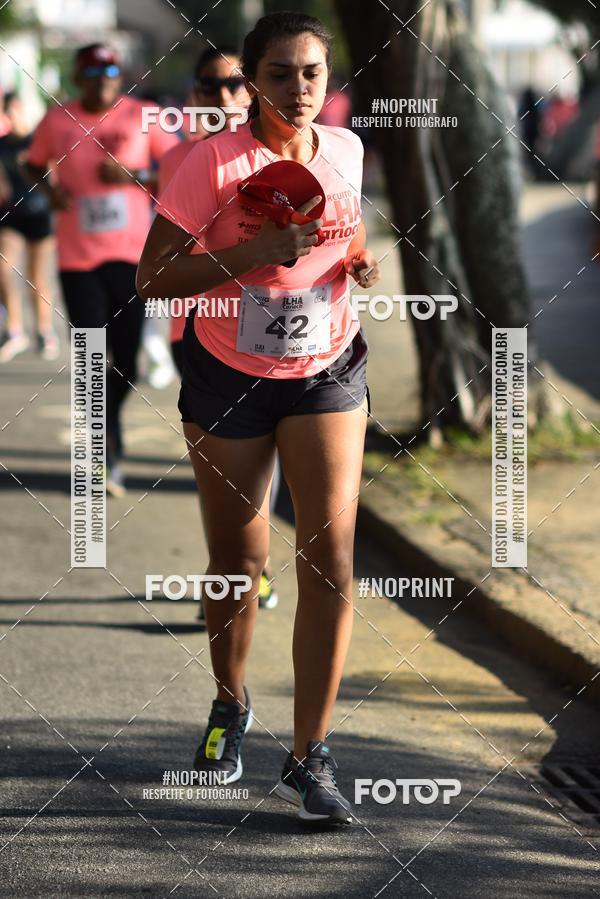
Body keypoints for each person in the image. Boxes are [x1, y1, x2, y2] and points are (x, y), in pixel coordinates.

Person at [138, 12, 380, 825]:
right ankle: (230, 700)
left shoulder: (344, 149)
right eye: (279, 74)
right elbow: (152, 278)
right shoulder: (208, 163)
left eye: (312, 73)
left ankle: (311, 753)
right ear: (250, 82)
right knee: (239, 563)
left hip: (326, 368)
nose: (299, 89)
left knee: (331, 559)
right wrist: (252, 253)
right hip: (228, 374)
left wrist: (356, 258)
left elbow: (345, 229)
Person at [26, 44, 178, 495]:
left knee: (127, 363)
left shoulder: (143, 115)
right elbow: (32, 165)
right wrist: (51, 193)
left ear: (120, 76)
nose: (102, 80)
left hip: (133, 259)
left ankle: (107, 428)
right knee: (93, 357)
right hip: (78, 260)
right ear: (78, 78)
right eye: (92, 73)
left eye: (110, 72)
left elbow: (178, 169)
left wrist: (134, 177)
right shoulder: (57, 120)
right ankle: (103, 453)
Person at [158, 46, 279, 613]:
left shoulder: (282, 152)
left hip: (280, 330)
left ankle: (256, 567)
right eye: (211, 86)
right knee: (222, 474)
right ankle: (230, 570)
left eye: (234, 84)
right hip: (200, 329)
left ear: (251, 89)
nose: (224, 95)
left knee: (271, 461)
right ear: (196, 96)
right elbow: (169, 255)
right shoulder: (179, 160)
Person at [0, 93, 58, 363]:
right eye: (8, 110)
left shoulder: (38, 141)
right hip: (11, 214)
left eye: (17, 109)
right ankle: (14, 330)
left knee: (37, 277)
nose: (13, 115)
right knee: (3, 267)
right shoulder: (2, 144)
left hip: (39, 213)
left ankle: (44, 331)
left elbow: (55, 175)